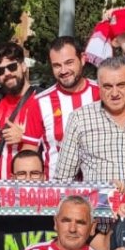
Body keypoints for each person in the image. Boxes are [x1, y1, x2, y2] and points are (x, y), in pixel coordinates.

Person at [53, 56, 125, 185]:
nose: (114, 93)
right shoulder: (80, 119)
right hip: (97, 204)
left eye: (121, 85)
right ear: (98, 85)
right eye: (107, 86)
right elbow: (63, 179)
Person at [35, 37, 99, 179]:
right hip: (56, 191)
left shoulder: (102, 94)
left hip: (97, 191)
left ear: (82, 59)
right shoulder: (40, 102)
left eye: (69, 63)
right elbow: (30, 150)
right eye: (57, 65)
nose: (63, 70)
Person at [0, 42, 42, 180]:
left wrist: (24, 137)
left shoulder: (43, 100)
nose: (7, 73)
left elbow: (55, 145)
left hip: (28, 189)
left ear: (23, 66)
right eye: (0, 71)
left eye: (11, 66)